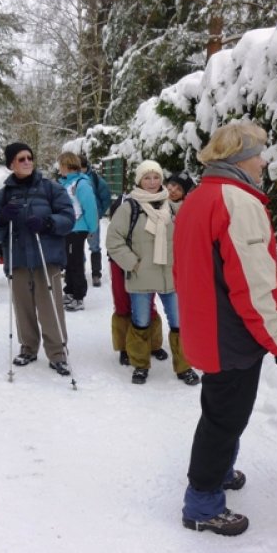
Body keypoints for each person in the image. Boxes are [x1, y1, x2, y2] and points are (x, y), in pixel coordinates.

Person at [173, 121, 277, 536]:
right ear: (241, 158)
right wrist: (276, 340)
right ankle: (202, 503)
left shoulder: (199, 196)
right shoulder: (238, 202)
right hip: (231, 334)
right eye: (259, 153)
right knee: (224, 420)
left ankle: (220, 471)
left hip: (208, 325)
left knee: (221, 411)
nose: (264, 162)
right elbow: (253, 282)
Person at [0, 142, 76, 376]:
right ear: (11, 164)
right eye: (21, 159)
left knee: (50, 308)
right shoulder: (2, 196)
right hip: (18, 259)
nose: (27, 162)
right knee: (23, 308)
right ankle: (28, 348)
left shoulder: (51, 188)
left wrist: (48, 223)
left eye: (29, 158)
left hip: (47, 259)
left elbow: (68, 218)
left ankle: (57, 353)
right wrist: (1, 220)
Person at [106, 160, 196, 386]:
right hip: (141, 276)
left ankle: (184, 366)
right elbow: (114, 241)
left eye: (156, 177)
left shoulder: (172, 207)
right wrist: (133, 264)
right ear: (139, 180)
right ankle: (140, 365)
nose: (152, 182)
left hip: (170, 277)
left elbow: (189, 236)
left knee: (179, 323)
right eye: (147, 177)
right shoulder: (129, 208)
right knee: (141, 322)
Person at [58, 152, 98, 312]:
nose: (59, 169)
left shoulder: (80, 184)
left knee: (75, 262)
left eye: (60, 165)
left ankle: (78, 296)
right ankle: (69, 291)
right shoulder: (66, 183)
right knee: (69, 262)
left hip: (77, 229)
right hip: (68, 228)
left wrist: (92, 228)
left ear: (66, 166)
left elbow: (90, 207)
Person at [80, 154, 111, 287]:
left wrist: (99, 213)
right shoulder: (71, 179)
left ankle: (96, 274)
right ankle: (80, 270)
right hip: (77, 221)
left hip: (92, 220)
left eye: (80, 167)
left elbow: (106, 197)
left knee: (94, 246)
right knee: (77, 246)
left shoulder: (95, 180)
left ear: (85, 167)